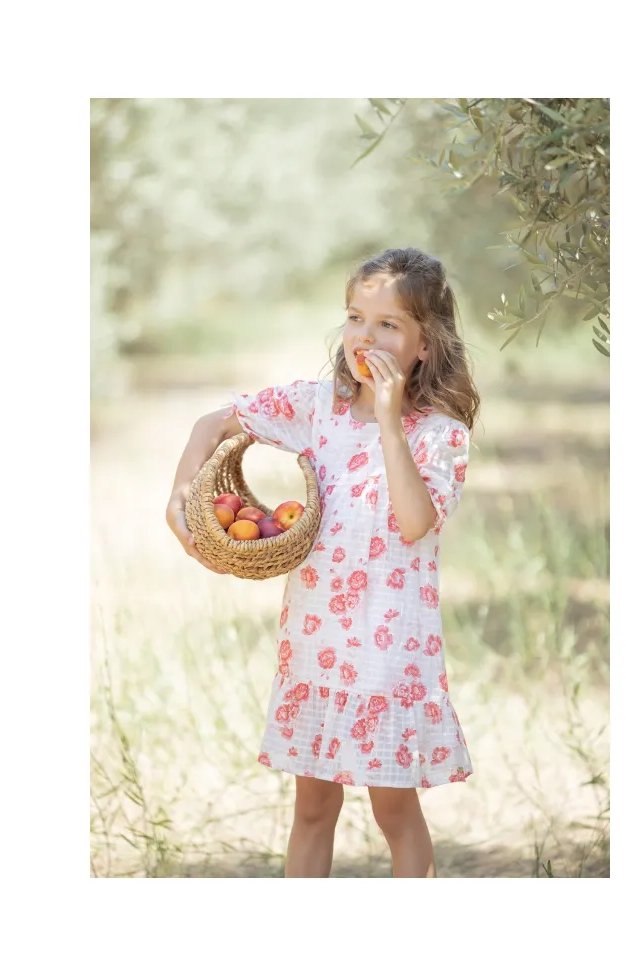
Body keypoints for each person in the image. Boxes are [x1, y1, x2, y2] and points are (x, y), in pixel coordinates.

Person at [166, 247, 481, 877]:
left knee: (394, 808)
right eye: (355, 317)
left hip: (390, 655)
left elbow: (415, 521)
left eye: (388, 324)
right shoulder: (318, 407)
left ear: (425, 345)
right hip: (318, 646)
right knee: (311, 805)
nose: (364, 336)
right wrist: (179, 499)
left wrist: (391, 424)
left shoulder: (439, 433)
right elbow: (213, 423)